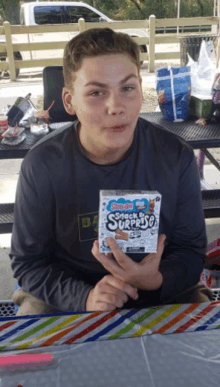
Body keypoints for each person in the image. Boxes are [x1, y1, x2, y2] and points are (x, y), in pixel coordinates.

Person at [10, 28, 212, 316]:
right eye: (96, 92)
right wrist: (86, 297)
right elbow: (28, 262)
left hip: (161, 285)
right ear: (69, 101)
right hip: (69, 290)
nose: (116, 107)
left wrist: (154, 279)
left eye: (127, 88)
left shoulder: (174, 156)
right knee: (30, 345)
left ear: (142, 89)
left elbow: (191, 251)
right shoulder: (42, 165)